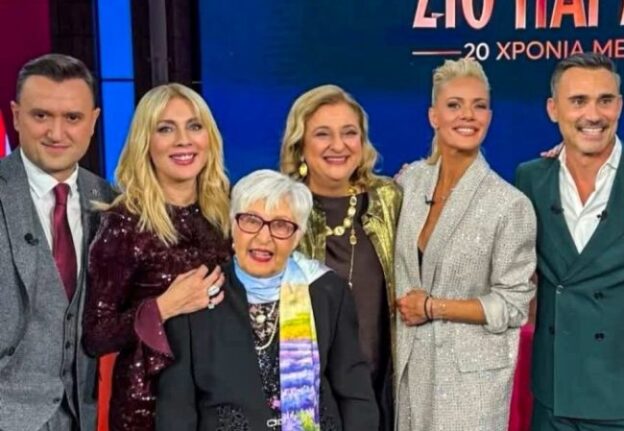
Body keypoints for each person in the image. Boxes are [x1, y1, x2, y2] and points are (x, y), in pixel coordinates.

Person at [515, 52, 624, 430]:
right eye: (578, 101)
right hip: (555, 394)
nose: (593, 115)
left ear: (619, 105)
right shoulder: (530, 179)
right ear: (553, 109)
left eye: (604, 100)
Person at [155, 169, 379, 430]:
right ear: (232, 225)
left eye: (281, 225)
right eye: (251, 221)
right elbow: (176, 410)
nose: (264, 238)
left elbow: (355, 394)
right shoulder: (196, 296)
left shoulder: (326, 290)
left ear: (297, 236)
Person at [394, 57, 537, 431]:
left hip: (470, 387)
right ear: (433, 116)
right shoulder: (408, 183)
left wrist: (433, 307)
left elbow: (513, 306)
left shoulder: (509, 205)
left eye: (479, 106)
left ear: (489, 116)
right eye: (454, 105)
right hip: (408, 372)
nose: (468, 116)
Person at [82, 83, 231, 430]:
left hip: (219, 399)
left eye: (194, 126)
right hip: (148, 407)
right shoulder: (125, 223)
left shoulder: (227, 214)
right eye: (166, 129)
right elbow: (95, 336)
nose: (183, 140)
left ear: (209, 138)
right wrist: (163, 307)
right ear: (145, 142)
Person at [0, 53, 112, 431]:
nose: (56, 133)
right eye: (41, 115)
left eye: (73, 118)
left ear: (93, 121)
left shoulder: (110, 201)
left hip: (87, 418)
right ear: (16, 116)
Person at [279, 84, 401, 429]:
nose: (338, 145)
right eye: (322, 134)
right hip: (308, 397)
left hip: (383, 392)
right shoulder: (280, 209)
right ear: (300, 145)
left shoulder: (389, 198)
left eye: (349, 133)